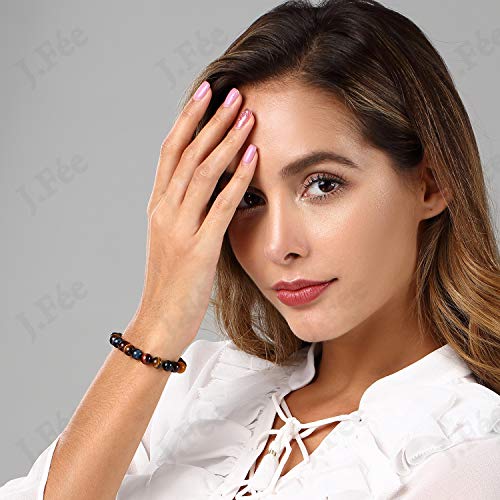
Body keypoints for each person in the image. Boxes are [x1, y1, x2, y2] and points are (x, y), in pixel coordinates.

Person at [1, 0, 499, 498]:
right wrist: (157, 321)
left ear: (431, 182)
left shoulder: (467, 450)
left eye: (323, 184)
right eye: (247, 199)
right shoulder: (191, 384)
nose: (279, 245)